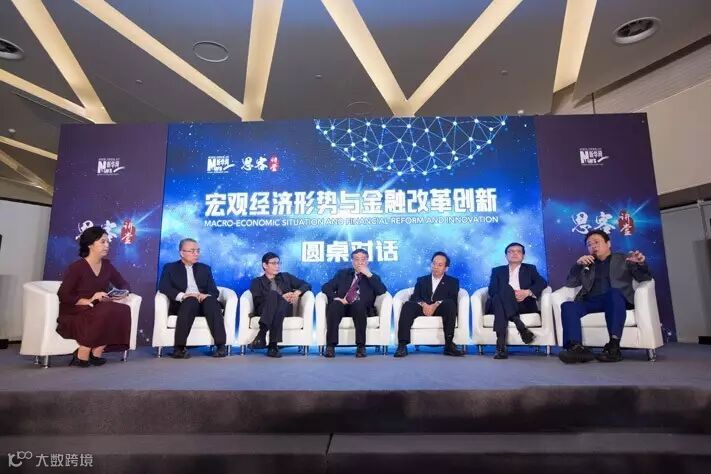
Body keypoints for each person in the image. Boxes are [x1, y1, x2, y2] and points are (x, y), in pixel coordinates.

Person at [558, 230, 651, 364]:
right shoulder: (587, 264)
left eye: (597, 242)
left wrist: (640, 264)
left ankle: (613, 347)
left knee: (613, 293)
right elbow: (570, 283)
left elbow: (644, 278)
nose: (593, 246)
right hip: (591, 301)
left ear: (608, 244)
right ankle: (576, 348)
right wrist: (577, 266)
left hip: (615, 299)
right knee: (567, 306)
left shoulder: (623, 258)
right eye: (589, 245)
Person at [57, 226, 132, 367]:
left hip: (99, 307)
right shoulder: (77, 267)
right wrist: (88, 300)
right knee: (106, 310)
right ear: (90, 244)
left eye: (107, 242)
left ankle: (96, 352)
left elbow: (123, 283)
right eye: (102, 242)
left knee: (122, 309)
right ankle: (82, 353)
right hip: (77, 309)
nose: (107, 245)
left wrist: (120, 293)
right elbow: (63, 294)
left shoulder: (107, 265)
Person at [158, 238, 227, 358]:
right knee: (191, 301)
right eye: (192, 251)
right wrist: (183, 296)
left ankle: (221, 346)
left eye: (198, 251)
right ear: (182, 253)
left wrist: (206, 295)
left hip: (203, 304)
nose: (196, 254)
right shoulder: (170, 268)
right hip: (184, 304)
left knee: (211, 302)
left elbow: (214, 290)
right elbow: (164, 287)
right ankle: (179, 348)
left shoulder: (205, 268)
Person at [394, 251, 464, 357]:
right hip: (423, 308)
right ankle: (402, 345)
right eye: (434, 263)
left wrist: (436, 304)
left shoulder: (453, 282)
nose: (435, 267)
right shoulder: (422, 280)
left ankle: (449, 345)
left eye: (440, 265)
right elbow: (415, 297)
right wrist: (424, 304)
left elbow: (452, 298)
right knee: (408, 305)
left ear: (446, 268)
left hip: (441, 308)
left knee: (450, 304)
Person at [321, 248, 387, 358]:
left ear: (367, 261)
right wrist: (336, 298)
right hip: (343, 306)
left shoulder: (373, 277)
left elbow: (382, 291)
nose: (360, 262)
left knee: (358, 304)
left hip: (361, 308)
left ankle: (361, 346)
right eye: (357, 259)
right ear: (352, 261)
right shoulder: (342, 274)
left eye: (363, 259)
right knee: (335, 305)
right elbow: (326, 287)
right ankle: (330, 346)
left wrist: (369, 275)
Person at [486, 242, 547, 359]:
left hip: (523, 304)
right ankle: (520, 326)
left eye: (518, 251)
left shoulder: (530, 269)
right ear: (506, 256)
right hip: (499, 303)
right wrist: (509, 294)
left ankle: (500, 346)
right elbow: (492, 290)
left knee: (500, 298)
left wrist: (527, 292)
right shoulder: (497, 270)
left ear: (523, 256)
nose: (514, 253)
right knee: (502, 292)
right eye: (511, 251)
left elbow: (542, 282)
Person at [248, 252, 311, 358]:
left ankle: (261, 334)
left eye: (278, 263)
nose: (277, 266)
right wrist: (280, 297)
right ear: (265, 265)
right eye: (274, 263)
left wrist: (297, 292)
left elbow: (306, 284)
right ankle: (273, 346)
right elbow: (257, 300)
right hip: (264, 310)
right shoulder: (257, 282)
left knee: (280, 304)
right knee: (273, 295)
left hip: (285, 310)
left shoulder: (286, 277)